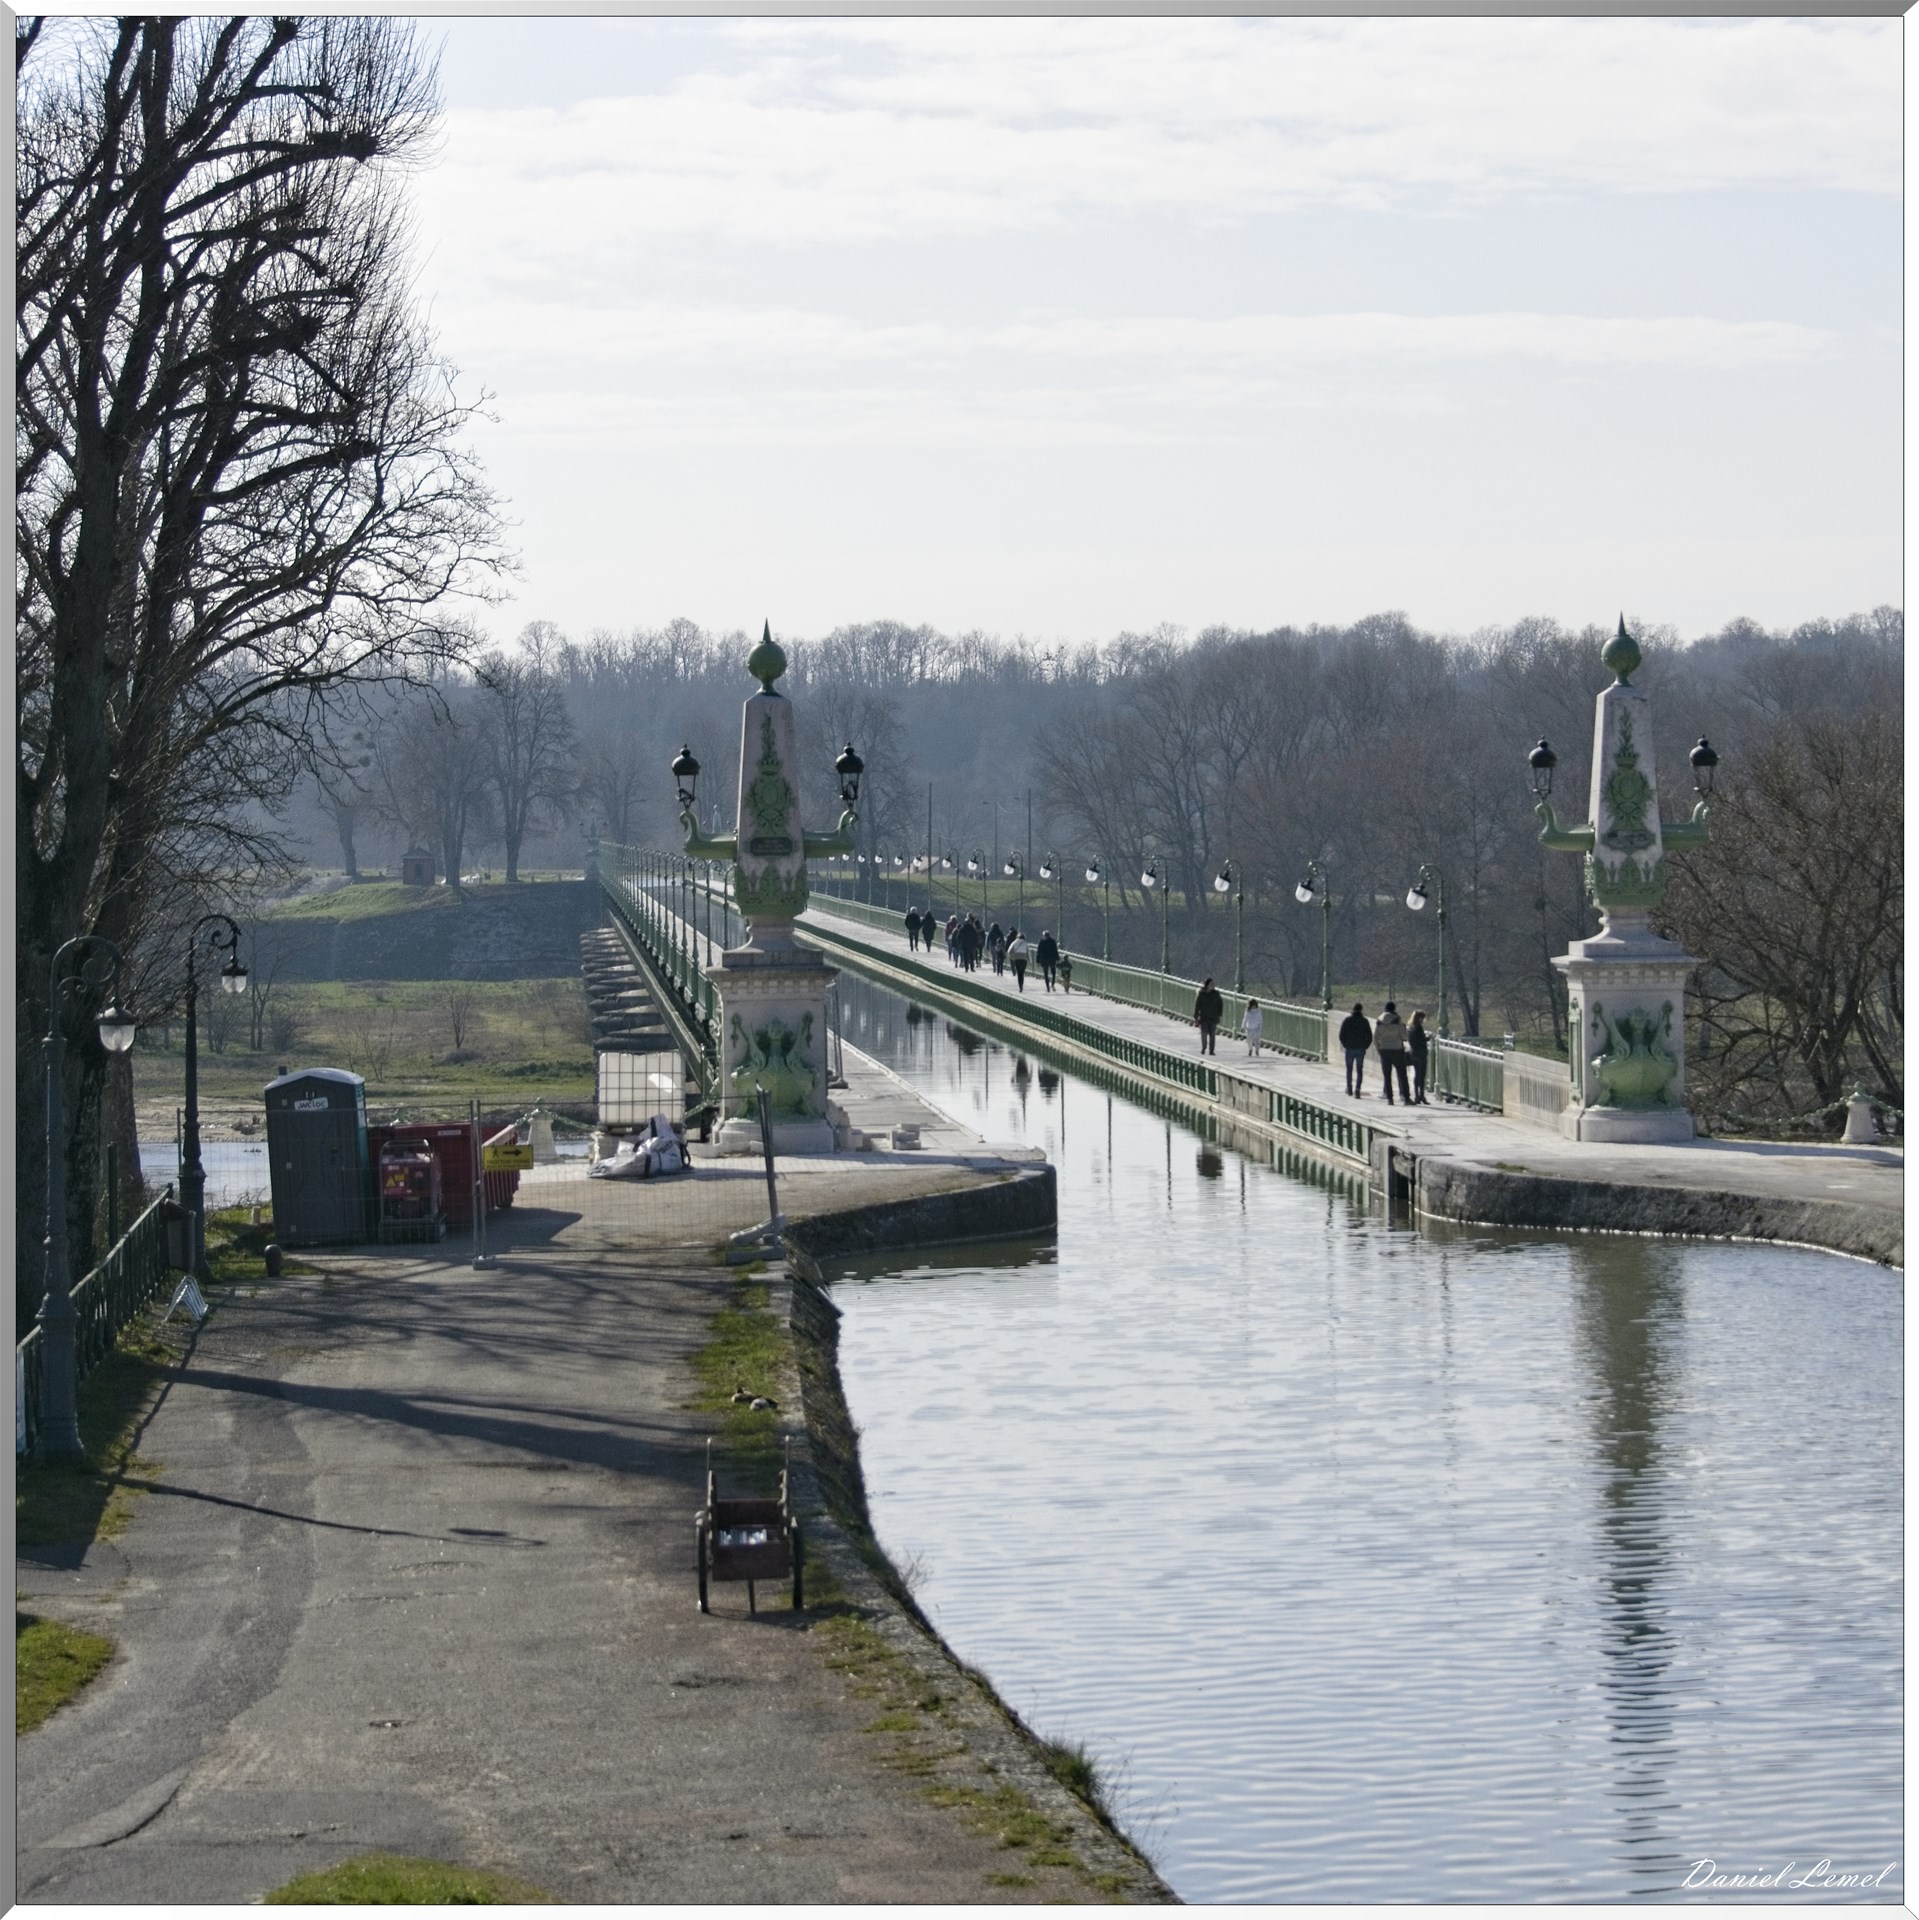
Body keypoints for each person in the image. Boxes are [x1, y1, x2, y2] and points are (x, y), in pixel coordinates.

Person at [1374, 1000, 1412, 1105]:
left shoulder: (1379, 1020)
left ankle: (1390, 1099)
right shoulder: (1397, 1020)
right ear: (1393, 1009)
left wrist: (1379, 1049)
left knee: (1387, 1075)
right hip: (1397, 1050)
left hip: (1384, 1050)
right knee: (1402, 1075)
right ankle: (1406, 1097)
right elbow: (1405, 1036)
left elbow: (1375, 1038)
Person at [1338, 1002, 1372, 1095]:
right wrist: (1365, 1045)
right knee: (1359, 1070)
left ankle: (1349, 1088)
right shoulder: (1364, 1021)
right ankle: (1357, 1089)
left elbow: (1341, 1035)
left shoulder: (1347, 1020)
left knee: (1349, 1069)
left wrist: (1345, 1044)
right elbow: (1369, 1036)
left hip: (1349, 1048)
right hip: (1361, 1048)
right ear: (1361, 1010)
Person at [1194, 976, 1224, 1055]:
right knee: (1204, 1033)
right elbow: (1197, 1005)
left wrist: (1219, 1013)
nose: (1213, 985)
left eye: (1213, 984)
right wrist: (1196, 1016)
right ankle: (1204, 1047)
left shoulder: (1216, 994)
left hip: (1214, 1017)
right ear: (1207, 985)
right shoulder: (1201, 994)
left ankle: (1211, 1050)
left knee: (1212, 1035)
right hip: (1204, 1017)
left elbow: (1220, 1004)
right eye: (1211, 984)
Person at [1407, 1009, 1431, 1104]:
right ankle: (1421, 1095)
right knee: (1421, 1075)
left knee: (1417, 1075)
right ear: (1419, 1018)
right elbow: (1421, 1040)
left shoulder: (1411, 1028)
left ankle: (1417, 1095)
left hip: (1414, 1053)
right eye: (1422, 1018)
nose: (1423, 1020)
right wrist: (1429, 1038)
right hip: (1421, 1054)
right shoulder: (1419, 1028)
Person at [1007, 927, 1031, 991]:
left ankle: (1020, 986)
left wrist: (1011, 957)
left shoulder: (1014, 942)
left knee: (1018, 973)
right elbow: (1028, 952)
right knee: (1022, 973)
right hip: (1024, 959)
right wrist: (1030, 961)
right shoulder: (1025, 943)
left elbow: (1009, 950)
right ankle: (1022, 985)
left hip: (1017, 959)